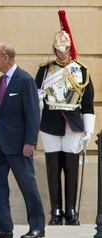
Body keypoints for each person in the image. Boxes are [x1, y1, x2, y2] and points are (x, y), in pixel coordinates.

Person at [35, 10, 95, 226]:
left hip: (73, 123)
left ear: (70, 49)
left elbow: (87, 103)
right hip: (50, 121)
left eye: (66, 49)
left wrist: (88, 130)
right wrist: (39, 98)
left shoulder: (81, 70)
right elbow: (36, 100)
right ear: (54, 49)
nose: (62, 53)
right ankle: (56, 210)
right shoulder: (44, 71)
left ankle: (71, 210)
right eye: (58, 49)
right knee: (53, 165)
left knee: (71, 165)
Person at [0, 43, 45, 238]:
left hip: (19, 145)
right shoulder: (1, 81)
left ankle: (37, 226)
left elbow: (33, 114)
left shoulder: (24, 80)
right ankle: (4, 227)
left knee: (28, 185)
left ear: (6, 57)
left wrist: (30, 142)